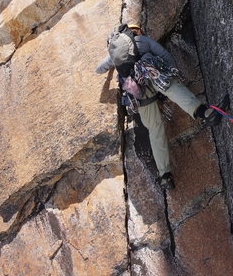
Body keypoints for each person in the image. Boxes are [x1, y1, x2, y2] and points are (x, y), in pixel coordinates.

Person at [96, 24, 224, 190]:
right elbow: (165, 55)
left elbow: (99, 69)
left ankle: (165, 175)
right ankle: (204, 113)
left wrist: (110, 73)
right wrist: (170, 73)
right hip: (153, 73)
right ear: (137, 31)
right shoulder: (143, 40)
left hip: (138, 91)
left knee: (155, 131)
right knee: (174, 90)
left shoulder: (115, 55)